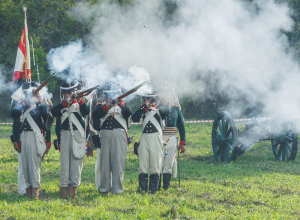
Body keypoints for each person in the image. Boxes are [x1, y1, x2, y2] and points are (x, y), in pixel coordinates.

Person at [11, 81, 51, 199]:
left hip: (35, 137)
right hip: (23, 137)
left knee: (34, 166)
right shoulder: (21, 104)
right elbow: (13, 114)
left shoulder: (41, 104)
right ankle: (28, 194)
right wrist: (24, 103)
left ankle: (36, 195)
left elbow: (47, 119)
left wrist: (37, 101)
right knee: (25, 164)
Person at [51, 79, 90, 199]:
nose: (68, 95)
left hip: (78, 136)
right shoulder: (61, 104)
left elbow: (86, 111)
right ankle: (63, 192)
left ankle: (73, 192)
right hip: (65, 136)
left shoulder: (81, 103)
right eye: (67, 93)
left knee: (76, 163)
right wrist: (65, 103)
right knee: (64, 165)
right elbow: (53, 112)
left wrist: (79, 100)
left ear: (75, 92)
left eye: (70, 93)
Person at [92, 83, 132, 194]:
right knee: (104, 163)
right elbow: (95, 116)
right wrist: (106, 107)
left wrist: (121, 104)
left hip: (119, 136)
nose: (110, 98)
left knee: (118, 162)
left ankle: (117, 189)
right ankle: (104, 188)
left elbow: (129, 114)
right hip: (105, 135)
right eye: (109, 96)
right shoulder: (101, 106)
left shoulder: (123, 105)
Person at [131, 94, 170, 194]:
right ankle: (142, 189)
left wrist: (162, 100)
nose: (147, 101)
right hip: (144, 137)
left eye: (149, 99)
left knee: (155, 164)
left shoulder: (159, 110)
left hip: (156, 138)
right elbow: (134, 118)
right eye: (146, 99)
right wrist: (144, 108)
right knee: (143, 164)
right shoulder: (143, 110)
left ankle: (153, 189)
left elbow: (166, 111)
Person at [159, 84, 186, 190]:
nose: (167, 97)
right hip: (160, 136)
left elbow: (181, 126)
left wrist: (183, 142)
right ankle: (156, 185)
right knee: (158, 162)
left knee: (169, 163)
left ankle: (166, 186)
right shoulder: (158, 108)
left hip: (172, 136)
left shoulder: (176, 109)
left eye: (168, 94)